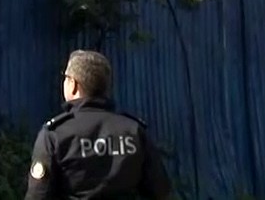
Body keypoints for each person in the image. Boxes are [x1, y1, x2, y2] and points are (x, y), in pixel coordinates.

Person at [25, 50, 172, 200]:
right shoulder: (134, 131)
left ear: (73, 84)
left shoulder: (54, 134)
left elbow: (39, 195)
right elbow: (160, 192)